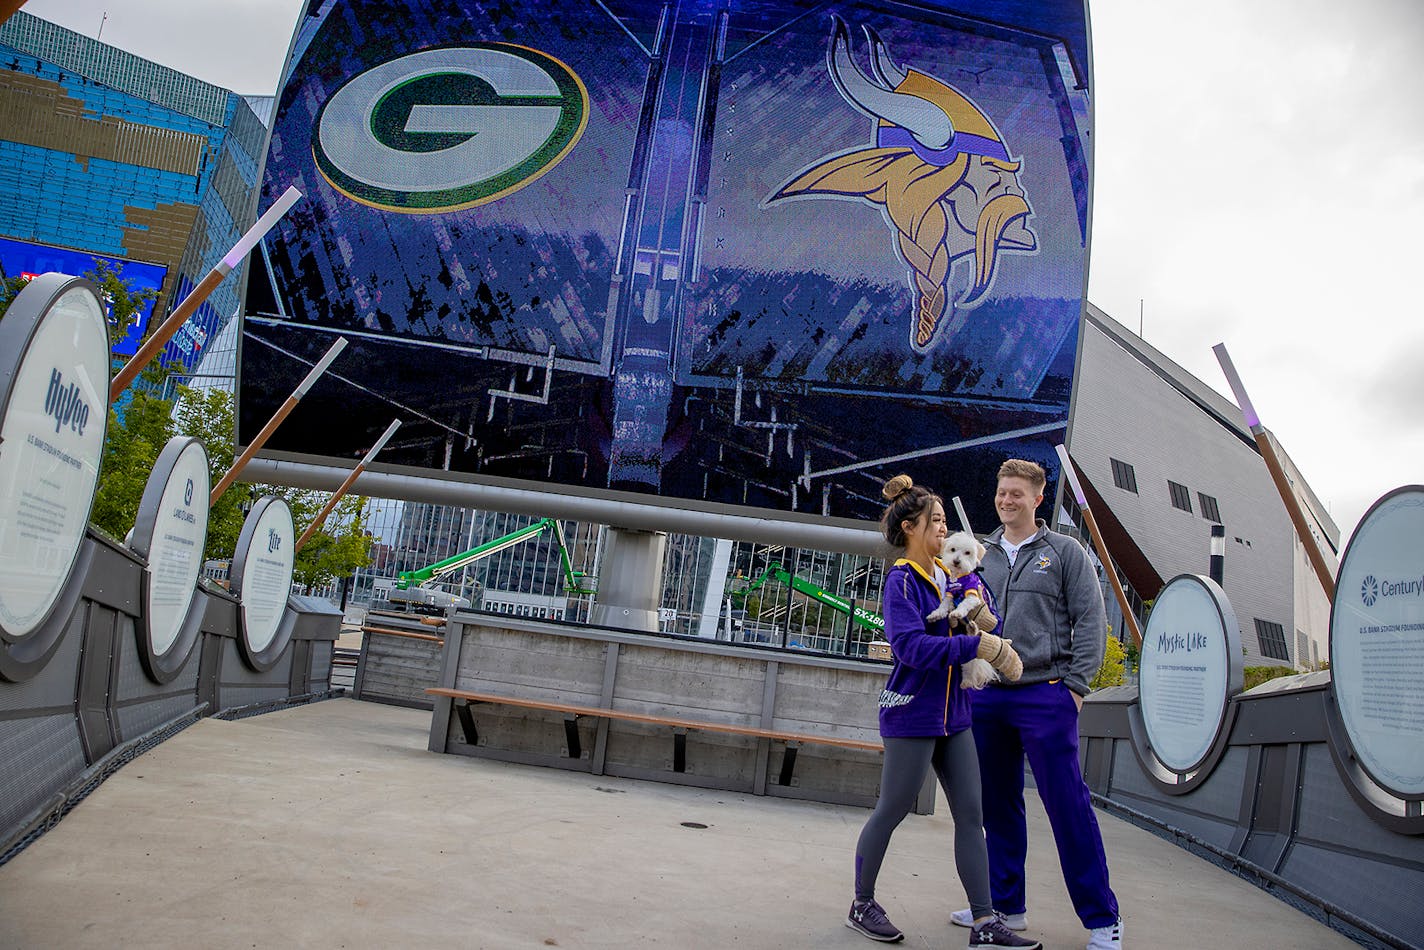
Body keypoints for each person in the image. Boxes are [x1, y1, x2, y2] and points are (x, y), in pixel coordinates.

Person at [847, 474, 1039, 949]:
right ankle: (862, 903)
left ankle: (984, 922)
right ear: (910, 527)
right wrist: (979, 644)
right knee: (892, 809)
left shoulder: (946, 577)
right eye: (936, 522)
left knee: (972, 817)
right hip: (912, 711)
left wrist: (981, 616)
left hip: (955, 716)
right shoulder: (901, 581)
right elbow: (910, 649)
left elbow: (974, 622)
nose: (943, 531)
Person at [949, 459, 1123, 949]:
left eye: (1017, 494)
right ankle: (1007, 907)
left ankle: (1102, 918)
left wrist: (1075, 688)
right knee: (997, 806)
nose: (1007, 500)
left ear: (1038, 498)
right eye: (1002, 492)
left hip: (1046, 695)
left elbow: (1091, 622)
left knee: (1068, 806)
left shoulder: (1066, 552)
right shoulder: (978, 553)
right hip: (988, 696)